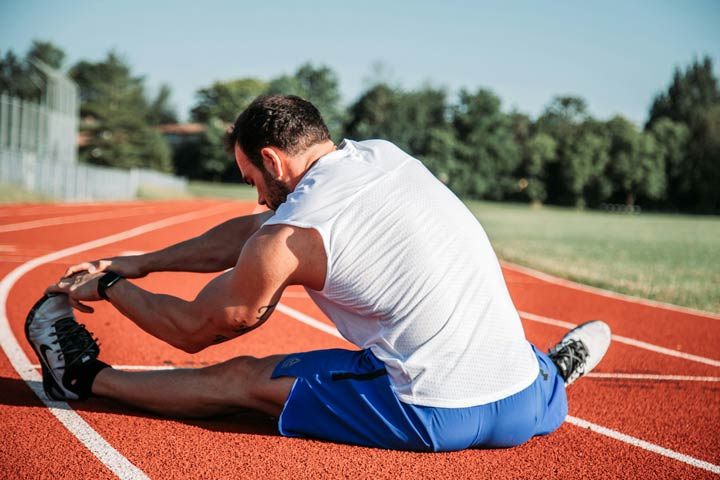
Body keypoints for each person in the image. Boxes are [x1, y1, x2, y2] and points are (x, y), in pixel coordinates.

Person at [26, 95, 611, 451]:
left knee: (241, 380)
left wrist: (110, 285)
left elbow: (194, 328)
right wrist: (141, 262)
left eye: (251, 178)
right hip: (523, 405)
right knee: (479, 325)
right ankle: (552, 374)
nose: (255, 196)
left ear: (274, 162)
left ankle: (82, 380)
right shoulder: (382, 155)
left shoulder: (288, 236)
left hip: (431, 411)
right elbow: (256, 233)